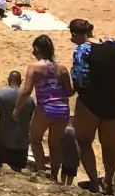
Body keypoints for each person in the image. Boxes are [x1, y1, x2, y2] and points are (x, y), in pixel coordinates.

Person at [69, 19, 115, 193]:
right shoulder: (113, 44)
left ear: (75, 34)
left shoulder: (82, 50)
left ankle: (95, 183)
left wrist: (79, 91)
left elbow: (80, 77)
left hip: (92, 102)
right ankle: (109, 182)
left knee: (84, 141)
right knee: (110, 144)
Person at [17, 34, 73, 180]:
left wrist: (17, 109)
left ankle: (41, 171)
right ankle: (54, 175)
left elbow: (27, 90)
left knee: (35, 140)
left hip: (45, 108)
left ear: (37, 49)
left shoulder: (34, 67)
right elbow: (69, 92)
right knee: (55, 145)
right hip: (62, 109)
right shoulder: (62, 68)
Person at [0, 71, 34, 172]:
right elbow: (32, 120)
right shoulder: (29, 99)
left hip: (3, 140)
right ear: (21, 82)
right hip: (21, 143)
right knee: (16, 172)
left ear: (8, 80)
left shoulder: (0, 94)